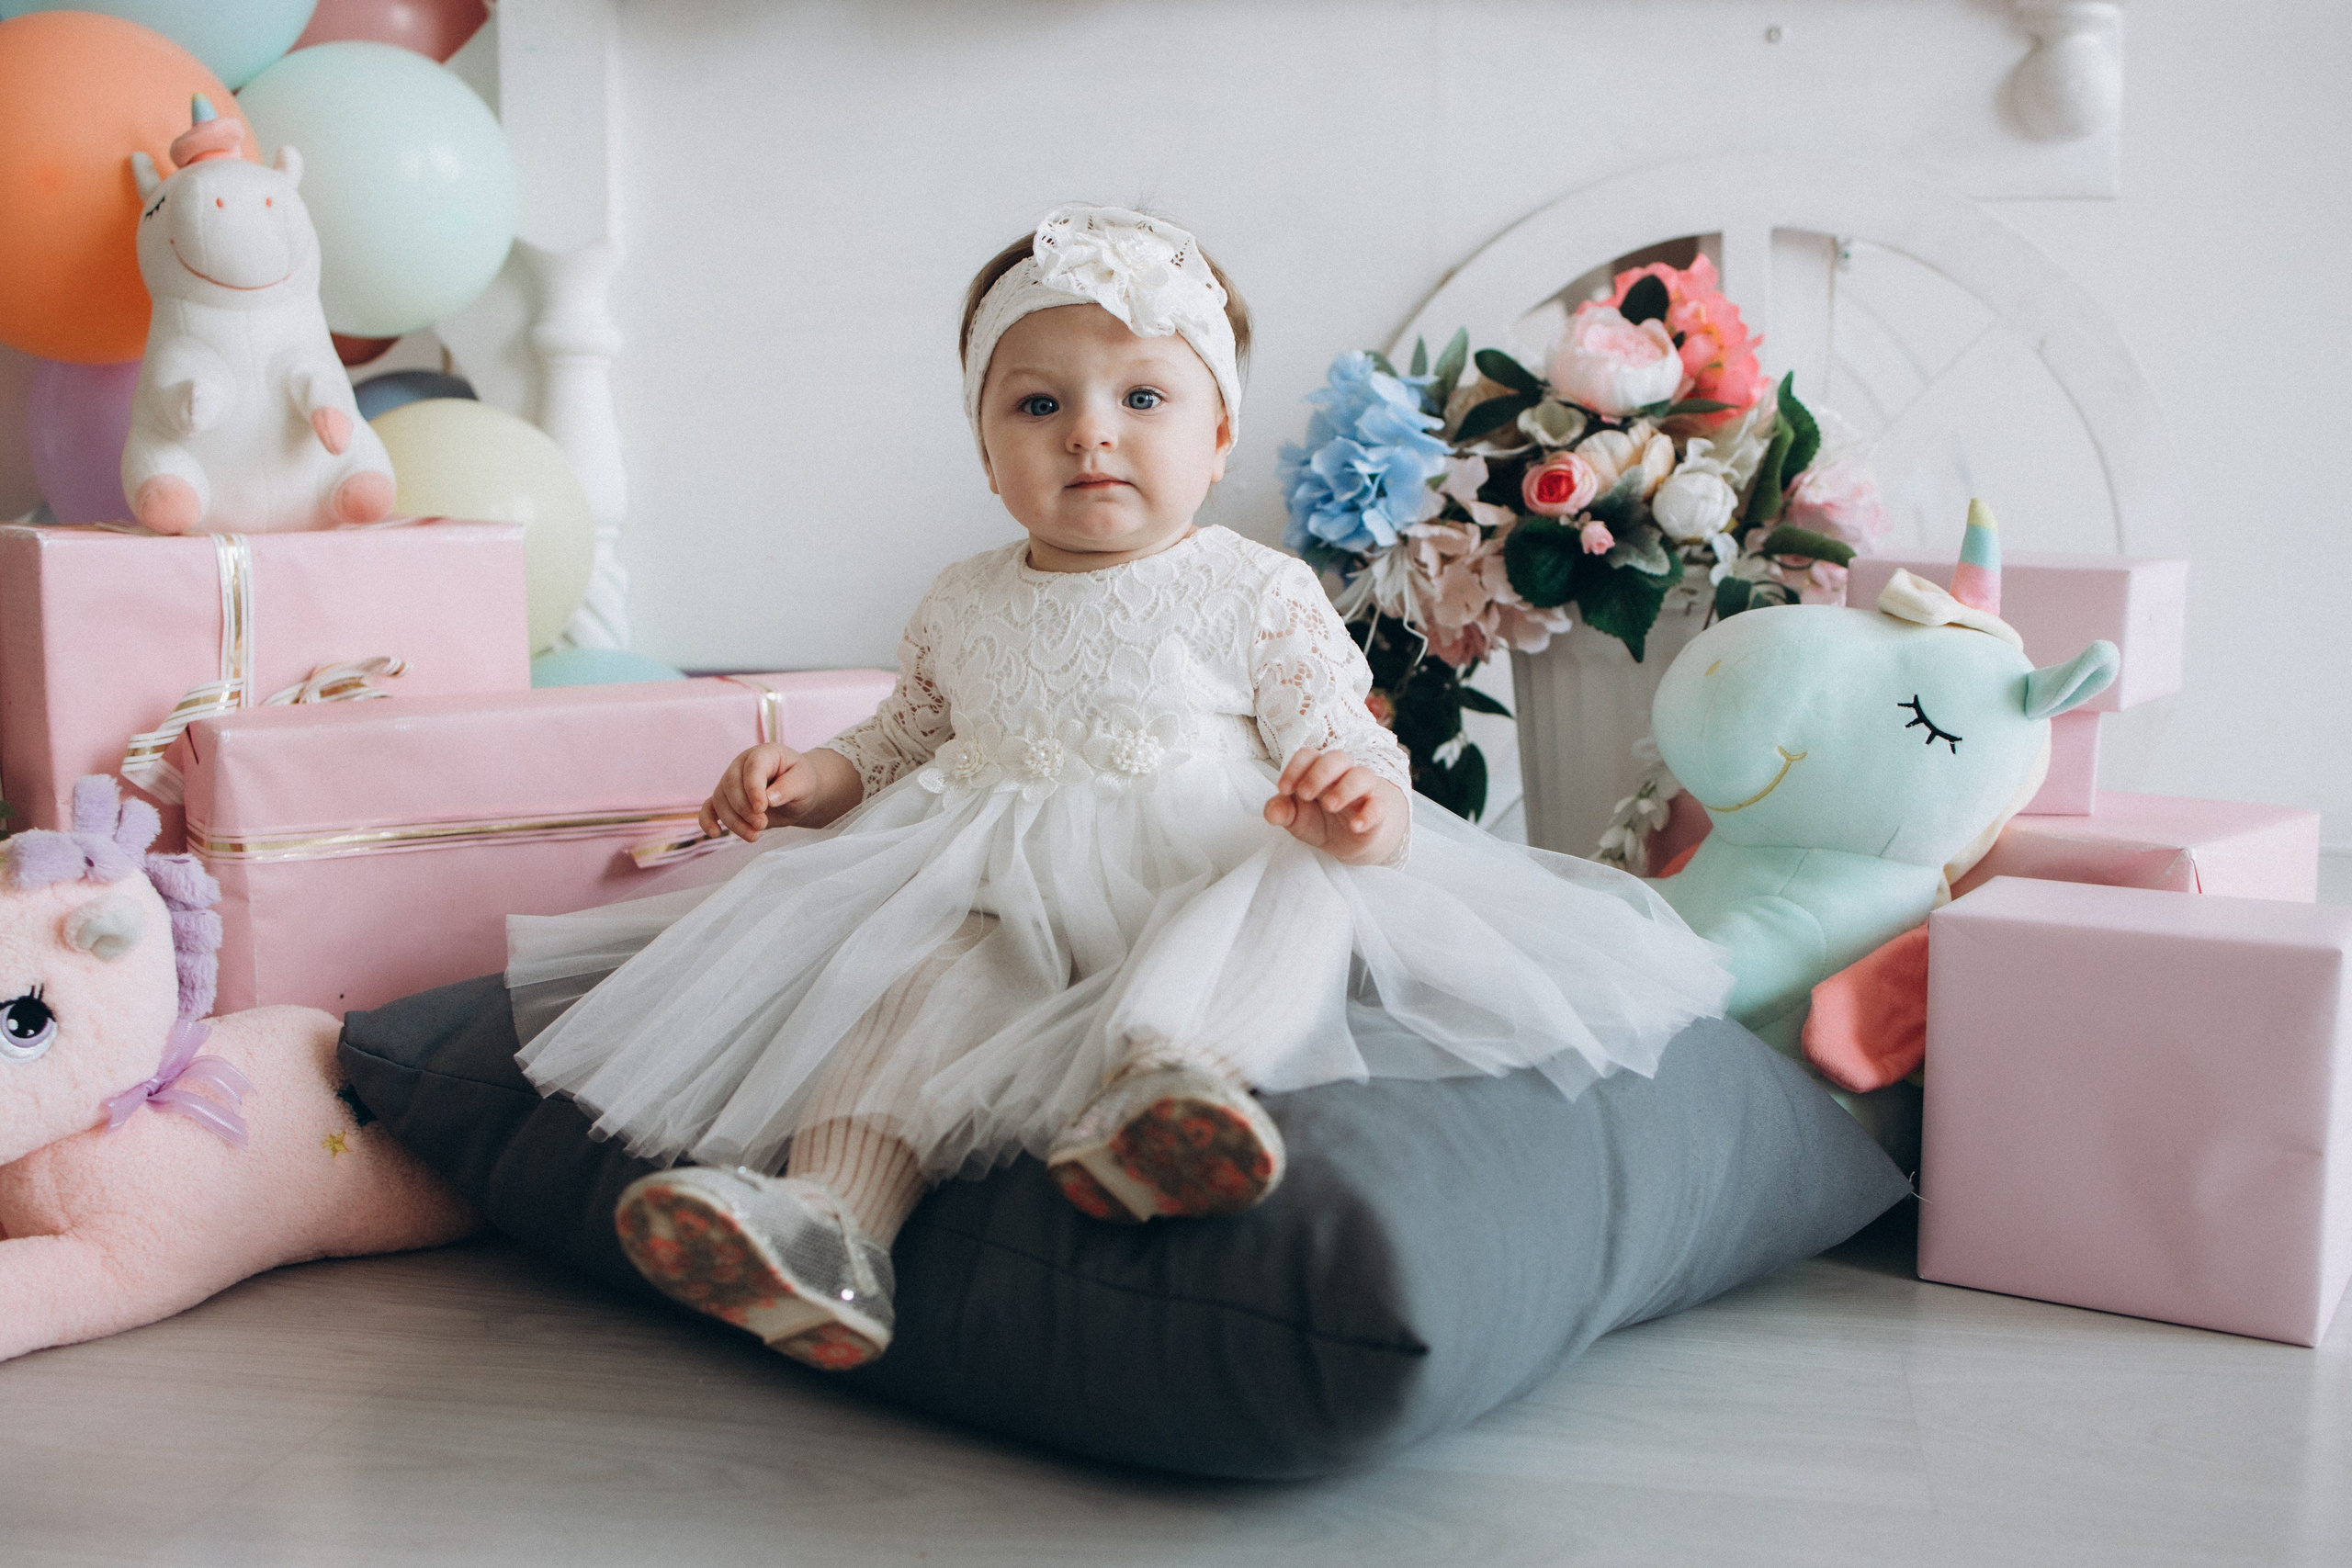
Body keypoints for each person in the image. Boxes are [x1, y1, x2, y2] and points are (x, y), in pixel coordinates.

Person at [507, 206, 1733, 1371]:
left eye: (1142, 397)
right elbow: (902, 739)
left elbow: (1339, 734)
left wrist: (1358, 804)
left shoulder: (1253, 590)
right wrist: (809, 775)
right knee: (907, 992)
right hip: (986, 883)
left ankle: (1170, 1095)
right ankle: (828, 1225)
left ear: (1215, 439)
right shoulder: (962, 597)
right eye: (1038, 404)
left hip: (1200, 862)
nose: (1090, 433)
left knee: (1291, 877)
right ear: (988, 454)